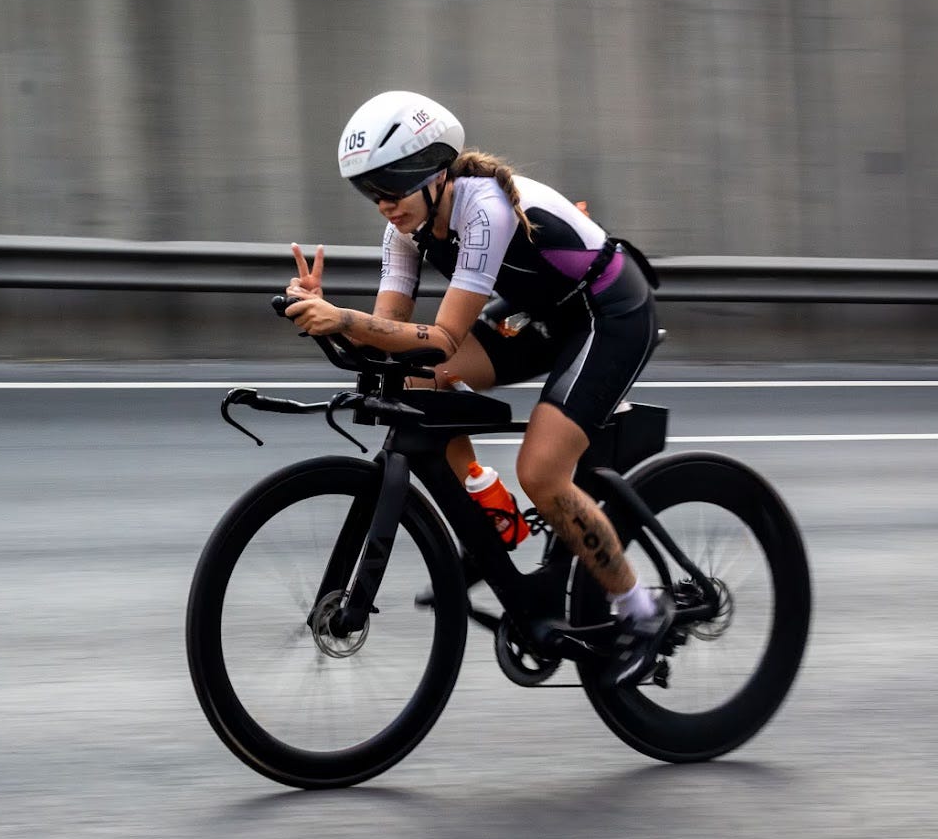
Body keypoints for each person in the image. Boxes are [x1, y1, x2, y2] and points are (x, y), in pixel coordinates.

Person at [284, 90, 668, 688]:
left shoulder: (484, 207)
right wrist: (327, 317)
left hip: (608, 314)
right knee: (416, 382)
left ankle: (641, 611)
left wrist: (345, 319)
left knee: (542, 473)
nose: (384, 204)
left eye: (392, 186)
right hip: (541, 316)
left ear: (434, 172)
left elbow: (440, 337)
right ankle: (491, 510)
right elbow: (396, 341)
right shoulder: (404, 231)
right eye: (370, 191)